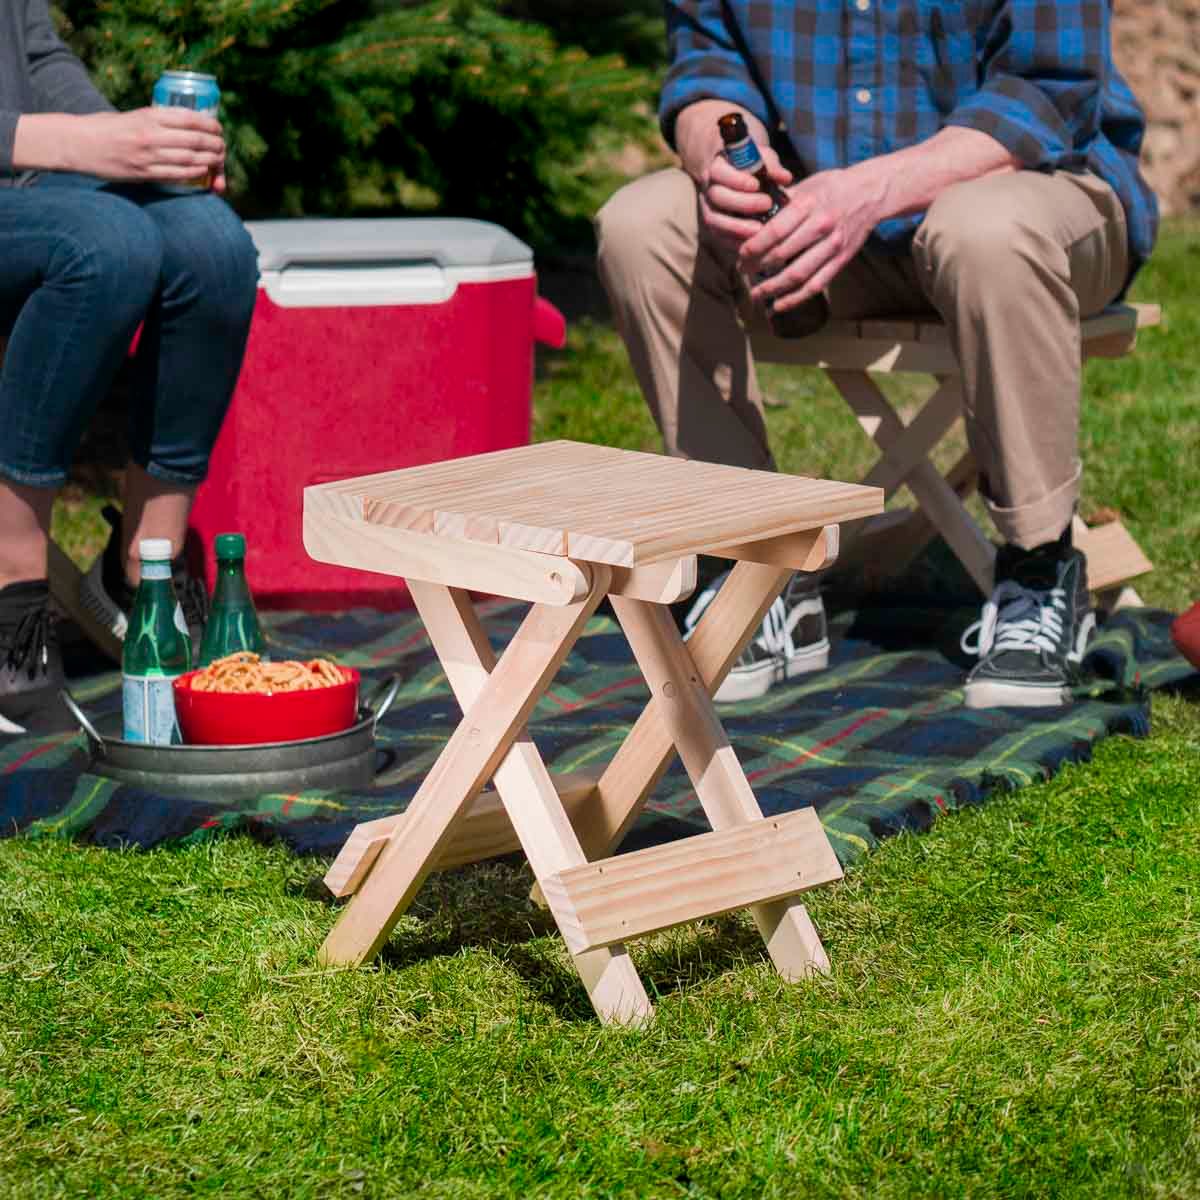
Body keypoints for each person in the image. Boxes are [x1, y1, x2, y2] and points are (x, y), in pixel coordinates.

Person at [596, 1, 1158, 708]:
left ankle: (1040, 572)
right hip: (820, 219)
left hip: (1037, 195)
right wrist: (717, 153)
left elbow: (1050, 91)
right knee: (640, 223)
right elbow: (707, 66)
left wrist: (870, 191)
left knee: (982, 229)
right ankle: (749, 565)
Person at [0, 0, 259, 737]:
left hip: (23, 187)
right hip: (31, 182)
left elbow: (34, 53)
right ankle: (11, 594)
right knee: (106, 245)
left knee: (212, 246)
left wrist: (144, 149)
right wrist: (81, 143)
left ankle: (149, 568)